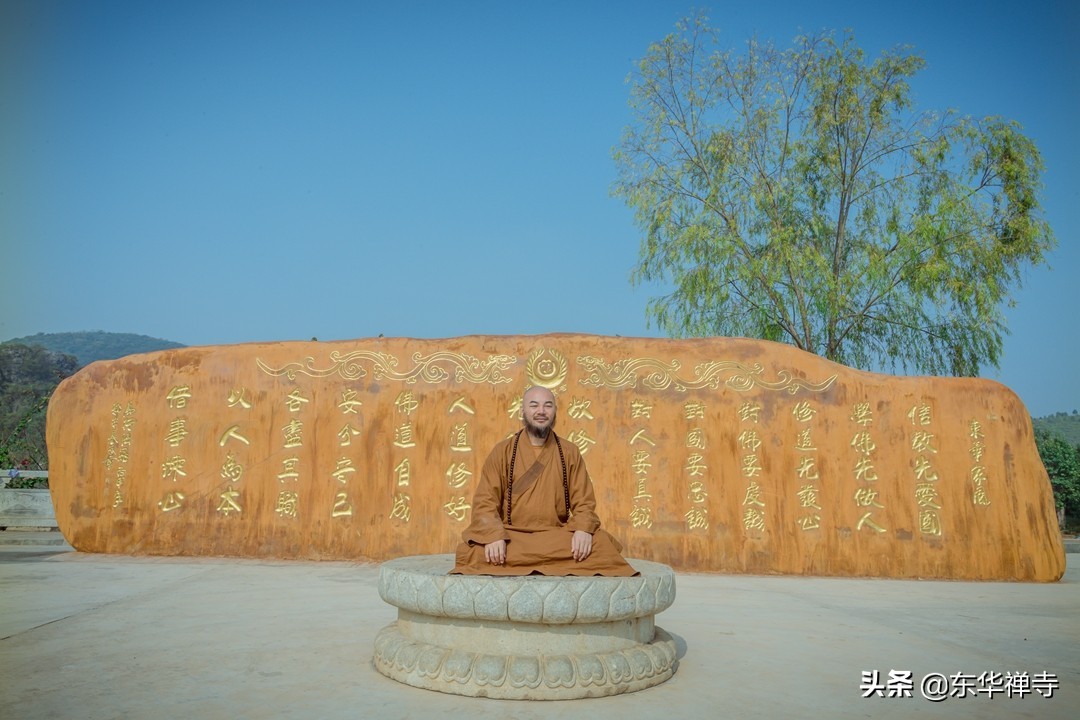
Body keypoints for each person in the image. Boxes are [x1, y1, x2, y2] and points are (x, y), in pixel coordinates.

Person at [450, 386, 637, 576]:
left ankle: (521, 562)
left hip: (556, 536)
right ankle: (551, 562)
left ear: (555, 411)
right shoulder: (503, 451)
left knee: (601, 544)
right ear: (523, 411)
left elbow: (584, 501)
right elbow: (485, 501)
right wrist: (492, 535)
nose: (541, 411)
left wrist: (582, 529)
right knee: (473, 551)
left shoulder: (569, 452)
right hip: (513, 536)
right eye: (534, 405)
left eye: (548, 406)